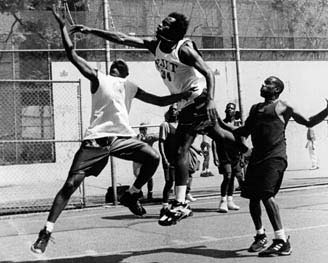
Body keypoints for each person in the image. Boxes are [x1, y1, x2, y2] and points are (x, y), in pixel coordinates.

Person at [31, 8, 196, 255]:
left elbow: (161, 102)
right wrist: (63, 27)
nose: (117, 65)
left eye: (121, 64)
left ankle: (131, 194)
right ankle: (46, 231)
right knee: (70, 185)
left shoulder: (130, 86)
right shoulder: (99, 78)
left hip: (121, 140)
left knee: (152, 158)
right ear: (111, 70)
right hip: (96, 141)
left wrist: (186, 95)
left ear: (126, 72)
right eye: (115, 65)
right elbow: (71, 53)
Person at [70, 12, 248, 226]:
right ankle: (250, 153)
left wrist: (210, 100)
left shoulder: (183, 49)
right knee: (219, 133)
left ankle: (181, 203)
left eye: (165, 24)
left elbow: (209, 73)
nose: (160, 25)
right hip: (185, 103)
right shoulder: (155, 45)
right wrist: (91, 30)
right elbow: (123, 38)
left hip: (197, 98)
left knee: (182, 150)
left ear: (174, 32)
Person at [220, 76, 328, 257]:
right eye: (263, 82)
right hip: (257, 157)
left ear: (277, 89)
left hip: (275, 157)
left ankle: (282, 240)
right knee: (253, 197)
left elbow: (308, 121)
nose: (263, 85)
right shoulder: (255, 109)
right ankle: (260, 236)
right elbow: (242, 132)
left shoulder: (284, 106)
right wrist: (217, 123)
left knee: (266, 194)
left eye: (268, 83)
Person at [158, 105, 199, 219]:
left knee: (180, 182)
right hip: (169, 158)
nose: (174, 112)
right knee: (169, 182)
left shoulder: (181, 126)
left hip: (179, 159)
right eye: (172, 110)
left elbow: (185, 142)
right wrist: (164, 159)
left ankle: (179, 205)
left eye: (176, 110)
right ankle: (164, 206)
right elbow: (161, 143)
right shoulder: (165, 125)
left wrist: (196, 149)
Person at [212, 102, 243, 212]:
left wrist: (242, 155)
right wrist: (215, 156)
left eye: (232, 108)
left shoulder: (238, 125)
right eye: (228, 108)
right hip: (224, 154)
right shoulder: (221, 124)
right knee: (228, 176)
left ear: (235, 111)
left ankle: (230, 200)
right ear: (225, 111)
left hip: (235, 155)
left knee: (233, 177)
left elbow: (241, 140)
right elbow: (214, 141)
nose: (230, 110)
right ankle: (223, 201)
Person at [133, 122, 159, 200]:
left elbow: (158, 136)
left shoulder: (149, 137)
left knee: (149, 176)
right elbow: (134, 144)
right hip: (138, 159)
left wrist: (151, 136)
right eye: (141, 129)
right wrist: (139, 138)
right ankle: (139, 193)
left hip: (147, 159)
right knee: (138, 175)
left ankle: (150, 193)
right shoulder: (137, 137)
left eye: (144, 129)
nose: (143, 131)